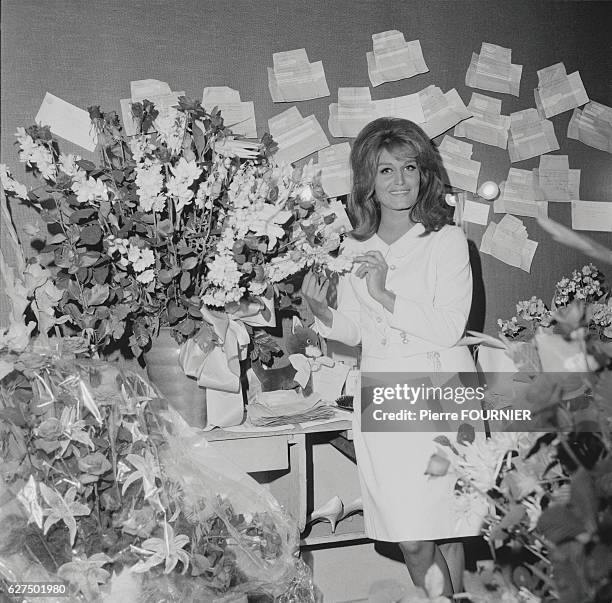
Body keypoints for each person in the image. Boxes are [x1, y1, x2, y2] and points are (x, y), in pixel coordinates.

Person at [302, 117, 481, 596]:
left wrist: (384, 294)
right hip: (383, 397)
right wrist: (321, 311)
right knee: (411, 535)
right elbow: (355, 334)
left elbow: (448, 328)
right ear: (369, 181)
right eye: (386, 170)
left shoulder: (447, 242)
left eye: (410, 167)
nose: (400, 180)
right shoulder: (356, 245)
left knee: (446, 525)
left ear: (424, 175)